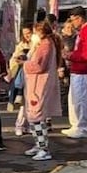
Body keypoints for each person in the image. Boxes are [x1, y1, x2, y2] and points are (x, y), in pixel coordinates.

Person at [23, 20, 64, 161]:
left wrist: (25, 63)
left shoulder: (45, 45)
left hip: (39, 86)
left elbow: (39, 66)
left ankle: (43, 148)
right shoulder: (48, 44)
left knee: (37, 117)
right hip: (38, 85)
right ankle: (38, 145)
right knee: (35, 117)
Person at [63, 8, 87, 139]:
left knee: (81, 99)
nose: (72, 23)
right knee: (75, 98)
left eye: (73, 20)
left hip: (84, 69)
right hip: (80, 68)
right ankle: (76, 125)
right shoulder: (86, 30)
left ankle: (82, 127)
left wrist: (71, 56)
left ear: (79, 18)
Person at [8, 25, 35, 136]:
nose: (27, 35)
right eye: (24, 33)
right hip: (23, 76)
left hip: (33, 76)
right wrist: (19, 58)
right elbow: (14, 59)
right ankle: (19, 125)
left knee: (31, 103)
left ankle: (28, 125)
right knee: (24, 103)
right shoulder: (21, 45)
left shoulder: (36, 44)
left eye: (29, 32)